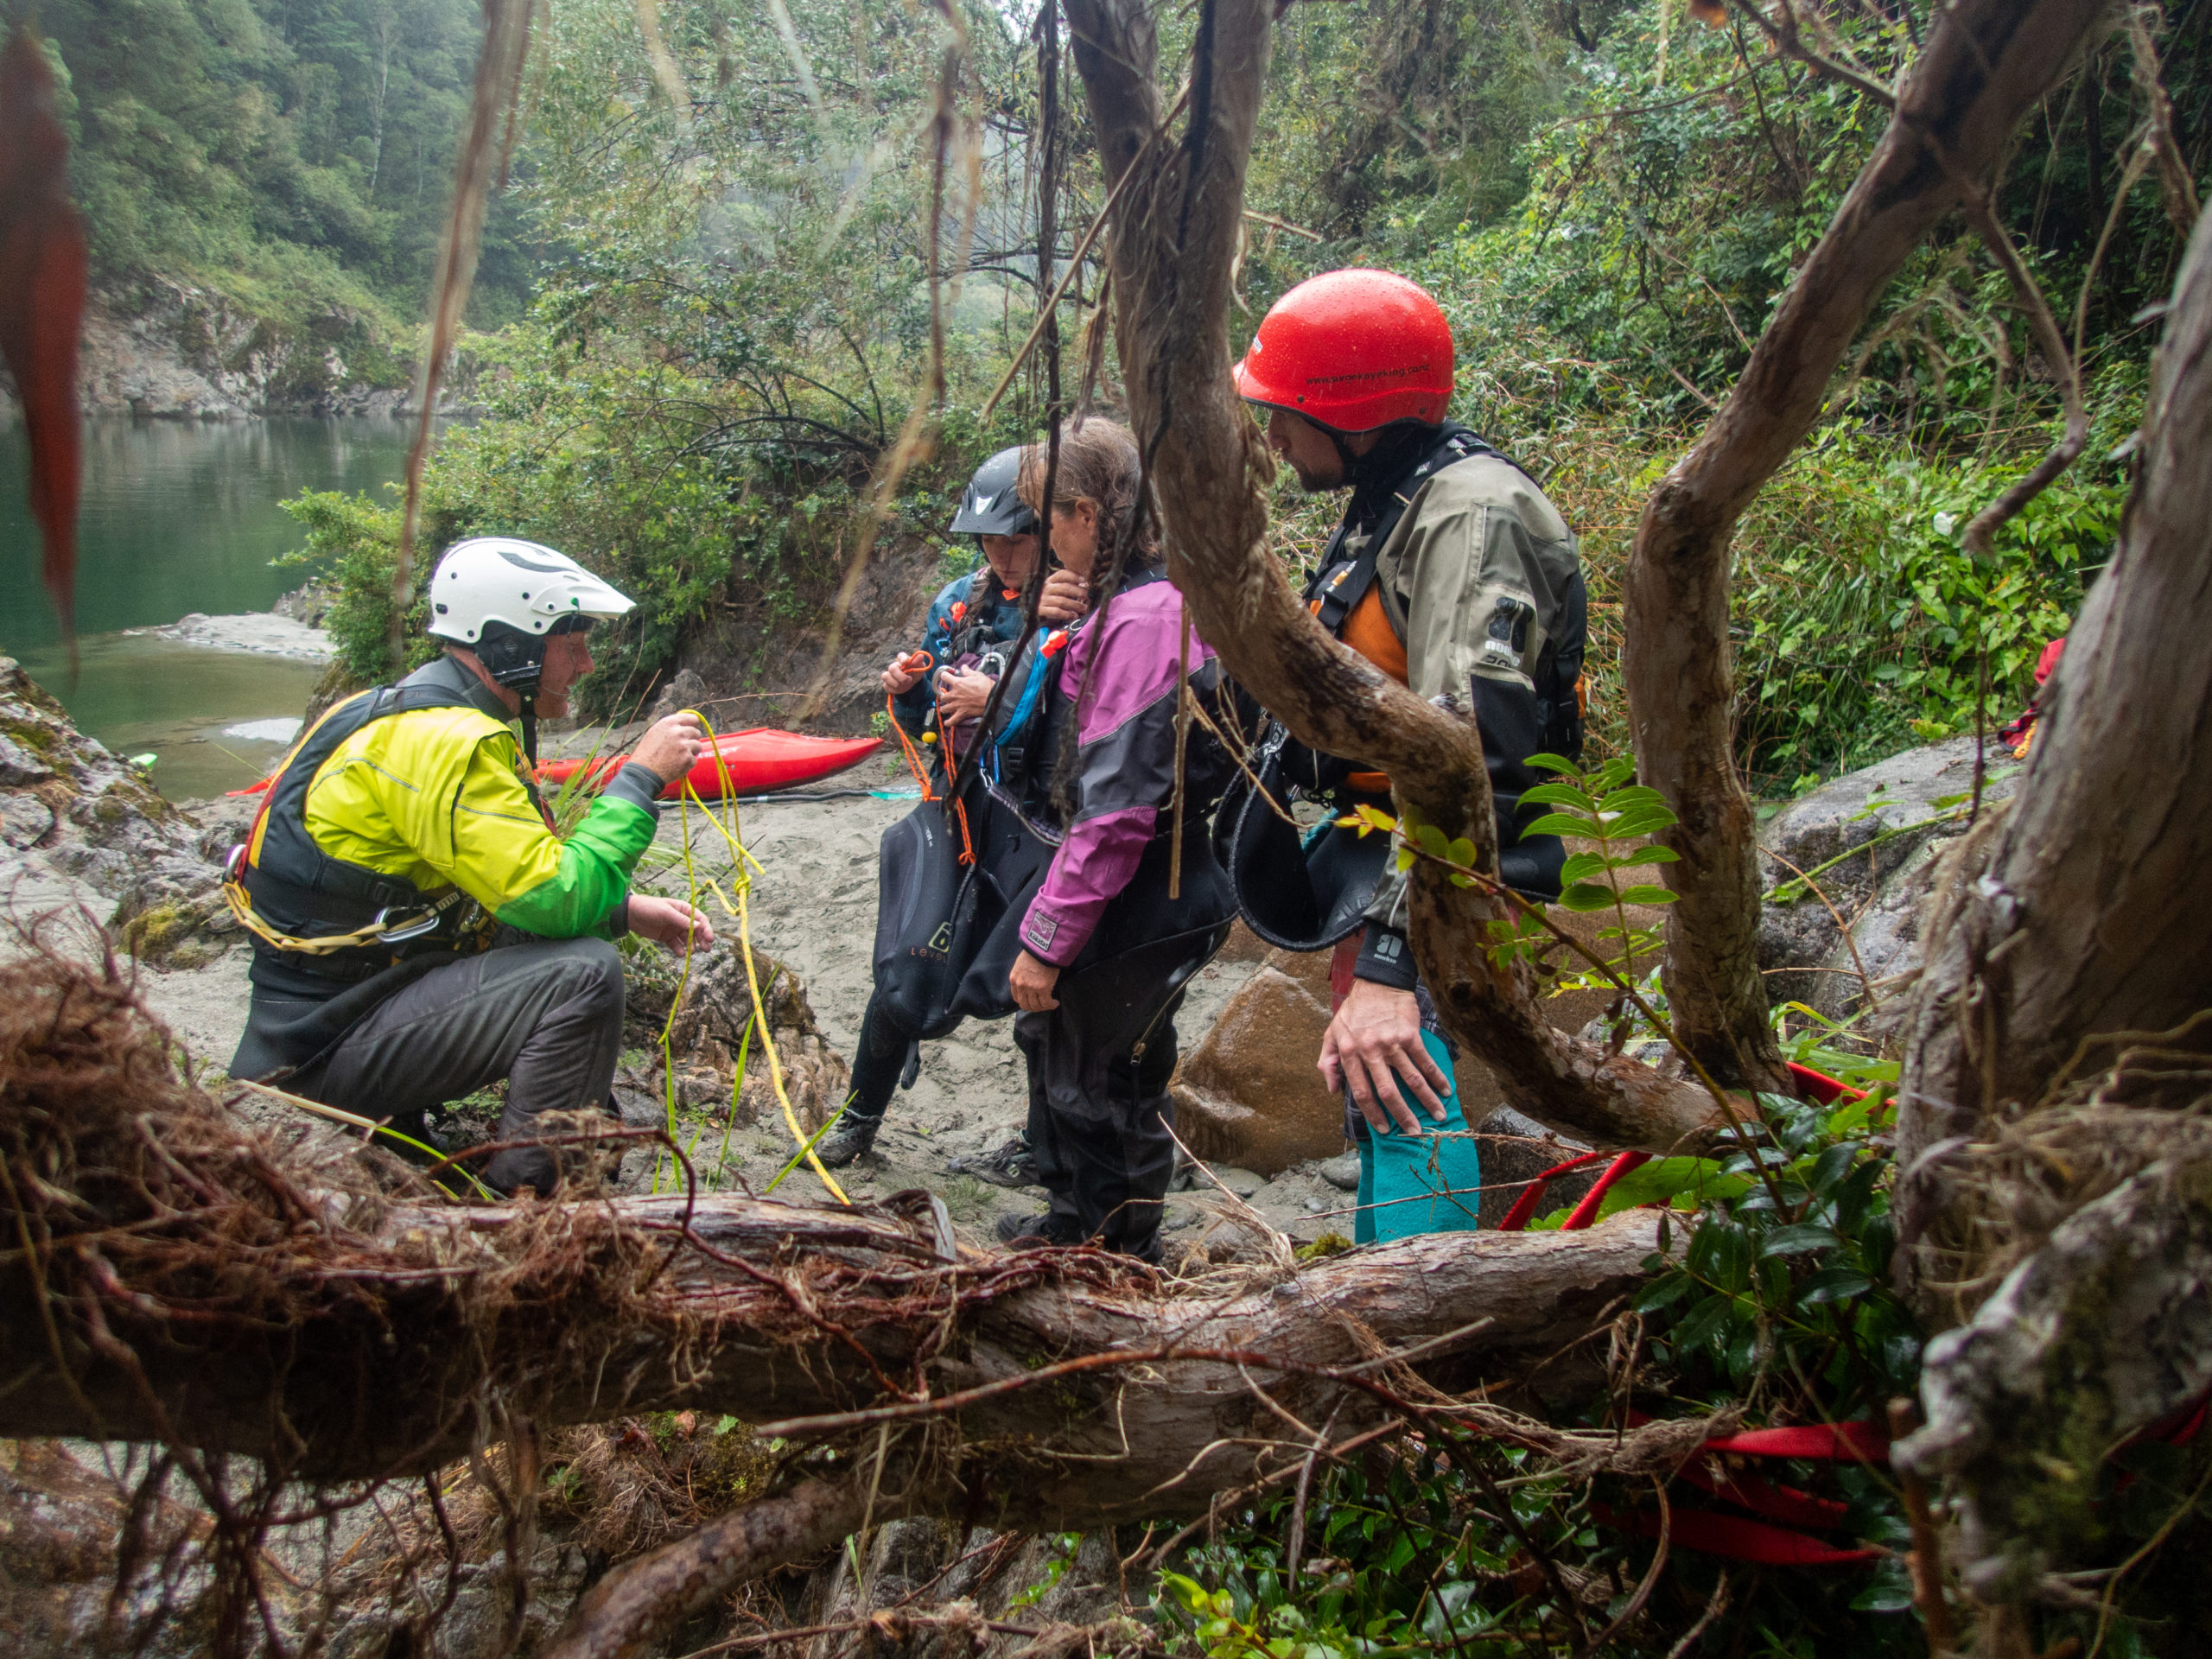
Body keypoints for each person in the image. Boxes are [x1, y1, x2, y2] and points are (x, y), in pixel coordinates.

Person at [1228, 269, 1587, 1244]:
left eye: (1283, 413)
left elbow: (1473, 750)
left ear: (1350, 409)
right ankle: (1381, 1285)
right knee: (1377, 1083)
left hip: (1450, 859)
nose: (1272, 437)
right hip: (1393, 849)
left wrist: (1394, 957)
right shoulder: (1401, 496)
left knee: (1402, 1078)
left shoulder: (1471, 516)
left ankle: (1418, 1309)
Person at [225, 537, 715, 1194]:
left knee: (555, 945)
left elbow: (492, 883)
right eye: (572, 645)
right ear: (511, 646)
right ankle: (528, 1207)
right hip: (317, 1055)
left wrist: (625, 910)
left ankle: (418, 1132)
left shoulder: (400, 711)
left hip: (322, 1020)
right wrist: (639, 779)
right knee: (583, 976)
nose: (587, 664)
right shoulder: (449, 743)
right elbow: (555, 897)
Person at [992, 421, 1236, 1262]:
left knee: (1103, 1081)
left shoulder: (1145, 619)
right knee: (1071, 1051)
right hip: (1153, 880)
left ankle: (1115, 1258)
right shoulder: (1143, 602)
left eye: (1047, 520)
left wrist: (1047, 940)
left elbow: (1114, 812)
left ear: (1088, 515)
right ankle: (1075, 1227)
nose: (1042, 540)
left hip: (1143, 889)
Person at [820, 448, 1084, 1169]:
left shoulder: (1079, 601)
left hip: (1038, 825)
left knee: (1044, 987)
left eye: (1016, 539)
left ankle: (1039, 1145)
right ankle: (859, 1118)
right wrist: (911, 690)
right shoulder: (960, 603)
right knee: (906, 964)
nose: (1000, 554)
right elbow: (925, 723)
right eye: (988, 539)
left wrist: (998, 694)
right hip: (958, 808)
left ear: (1052, 531)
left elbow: (1083, 716)